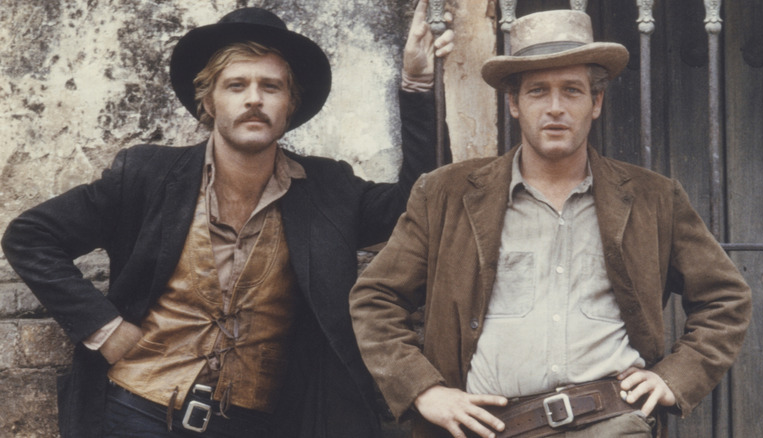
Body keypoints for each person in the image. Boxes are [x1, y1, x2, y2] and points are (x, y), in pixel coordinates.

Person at [1, 2, 453, 437]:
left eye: (271, 87)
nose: (254, 99)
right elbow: (30, 236)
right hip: (136, 413)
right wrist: (104, 327)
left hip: (260, 425)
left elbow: (419, 205)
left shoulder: (328, 188)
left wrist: (416, 86)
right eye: (236, 85)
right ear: (210, 101)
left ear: (290, 104)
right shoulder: (147, 174)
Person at [350, 9, 751, 438]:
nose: (555, 108)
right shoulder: (446, 194)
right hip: (487, 428)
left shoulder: (654, 197)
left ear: (596, 103)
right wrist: (423, 389)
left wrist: (676, 376)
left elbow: (725, 298)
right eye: (538, 91)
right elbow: (376, 298)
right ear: (514, 103)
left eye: (572, 91)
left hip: (611, 424)